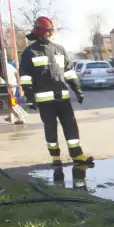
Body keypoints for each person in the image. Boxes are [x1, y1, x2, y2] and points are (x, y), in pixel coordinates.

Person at [19, 16, 93, 169]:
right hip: (45, 101)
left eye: (50, 31)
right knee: (51, 128)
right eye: (47, 31)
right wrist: (30, 97)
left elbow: (68, 72)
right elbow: (25, 77)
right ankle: (55, 157)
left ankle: (77, 155)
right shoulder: (29, 52)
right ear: (40, 32)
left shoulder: (59, 49)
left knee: (71, 126)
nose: (50, 34)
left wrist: (77, 89)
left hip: (63, 98)